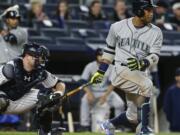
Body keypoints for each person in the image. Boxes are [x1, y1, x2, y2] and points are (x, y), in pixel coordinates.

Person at [90, 0, 163, 135]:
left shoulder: (156, 32)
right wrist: (101, 71)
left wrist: (143, 63)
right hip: (120, 70)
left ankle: (109, 124)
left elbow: (155, 56)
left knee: (132, 116)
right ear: (139, 10)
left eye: (152, 10)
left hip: (140, 73)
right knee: (147, 85)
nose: (151, 13)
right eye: (148, 9)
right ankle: (144, 130)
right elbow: (109, 51)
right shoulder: (117, 27)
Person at [0, 42, 66, 135]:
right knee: (1, 101)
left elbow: (59, 83)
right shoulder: (11, 68)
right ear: (27, 55)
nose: (42, 60)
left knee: (48, 97)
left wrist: (59, 93)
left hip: (19, 100)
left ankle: (45, 133)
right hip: (3, 99)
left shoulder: (40, 72)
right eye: (39, 56)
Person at [79, 48, 124, 131]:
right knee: (84, 101)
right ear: (96, 56)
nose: (102, 57)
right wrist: (89, 93)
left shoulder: (111, 67)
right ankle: (84, 126)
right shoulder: (90, 66)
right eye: (100, 55)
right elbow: (82, 81)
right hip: (93, 91)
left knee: (120, 104)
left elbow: (112, 83)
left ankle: (118, 125)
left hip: (107, 92)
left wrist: (105, 96)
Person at [163, 68, 180, 132]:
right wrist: (172, 120)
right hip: (174, 126)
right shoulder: (170, 91)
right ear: (176, 77)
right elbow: (166, 108)